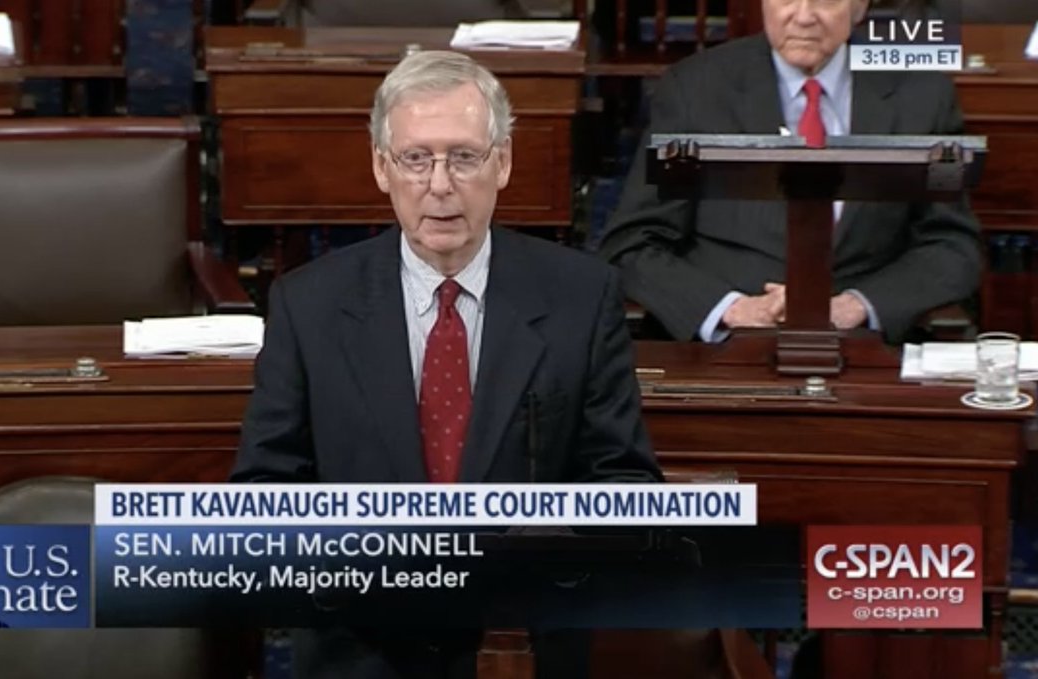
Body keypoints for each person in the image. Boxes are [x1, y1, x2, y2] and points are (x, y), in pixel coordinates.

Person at [232, 49, 661, 678]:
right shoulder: (308, 304)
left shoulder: (581, 296)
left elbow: (622, 487)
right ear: (382, 167)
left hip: (524, 647)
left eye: (463, 157)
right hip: (361, 647)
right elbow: (265, 493)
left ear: (503, 162)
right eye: (416, 159)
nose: (439, 185)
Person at [598, 0, 981, 344]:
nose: (803, 16)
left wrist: (857, 305)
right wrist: (732, 309)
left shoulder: (923, 93)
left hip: (865, 346)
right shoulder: (696, 89)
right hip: (725, 347)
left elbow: (952, 245)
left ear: (860, 8)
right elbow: (633, 242)